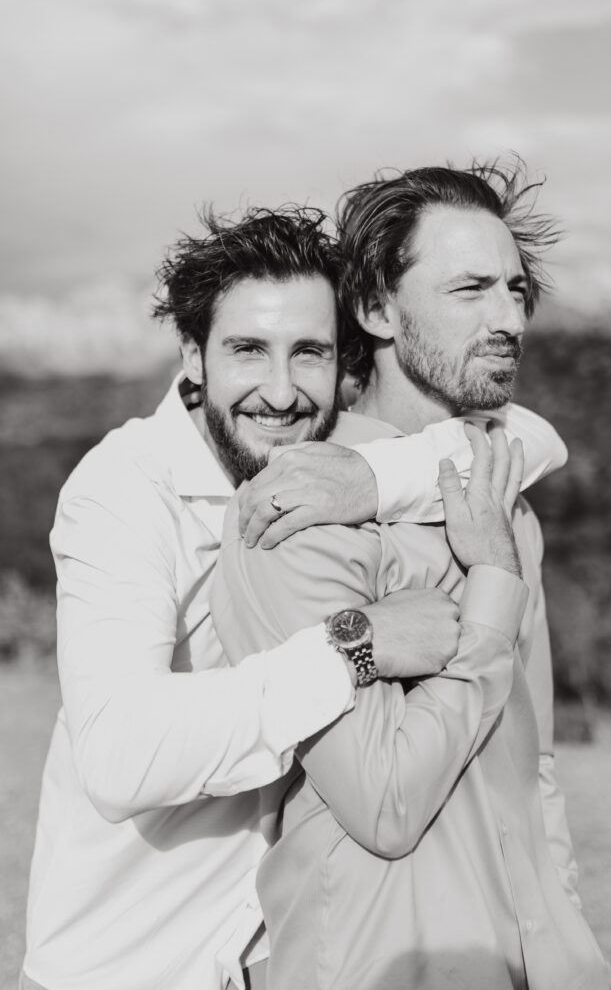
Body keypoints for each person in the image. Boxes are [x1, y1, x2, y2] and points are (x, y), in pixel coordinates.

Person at [23, 207, 566, 990]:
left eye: (307, 353)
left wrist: (380, 477)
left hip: (275, 955)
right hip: (128, 964)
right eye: (247, 350)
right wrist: (352, 646)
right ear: (192, 355)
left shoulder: (334, 463)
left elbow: (531, 438)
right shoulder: (127, 491)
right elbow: (117, 756)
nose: (280, 394)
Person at [212, 166, 608, 989]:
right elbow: (384, 801)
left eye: (516, 289)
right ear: (378, 309)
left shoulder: (509, 503)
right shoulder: (296, 517)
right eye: (469, 289)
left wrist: (569, 950)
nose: (508, 319)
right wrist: (491, 587)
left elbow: (532, 769)